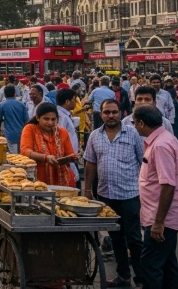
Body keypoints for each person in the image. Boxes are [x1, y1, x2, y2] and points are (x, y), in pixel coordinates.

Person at [83, 99, 145, 288]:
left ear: (121, 113)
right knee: (116, 238)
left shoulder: (133, 134)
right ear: (101, 114)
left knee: (134, 238)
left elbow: (144, 162)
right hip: (106, 195)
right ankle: (123, 276)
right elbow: (90, 163)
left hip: (130, 194)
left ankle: (141, 278)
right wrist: (87, 191)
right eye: (107, 112)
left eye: (114, 112)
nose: (111, 116)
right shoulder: (95, 136)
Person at [133, 105, 178, 289]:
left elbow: (168, 184)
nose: (134, 126)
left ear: (142, 123)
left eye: (134, 122)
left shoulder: (160, 145)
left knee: (150, 266)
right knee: (168, 265)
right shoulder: (164, 139)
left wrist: (159, 222)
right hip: (160, 216)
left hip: (161, 219)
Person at [20, 102, 77, 187]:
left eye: (53, 119)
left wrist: (72, 157)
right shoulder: (30, 129)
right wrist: (45, 157)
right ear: (38, 118)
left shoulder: (62, 132)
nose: (50, 123)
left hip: (61, 179)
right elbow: (25, 151)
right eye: (46, 119)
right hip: (37, 180)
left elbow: (69, 153)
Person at [55, 88, 80, 183]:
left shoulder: (65, 115)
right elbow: (58, 138)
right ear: (67, 101)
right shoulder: (61, 116)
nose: (76, 102)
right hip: (66, 159)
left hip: (70, 157)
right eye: (74, 99)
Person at [0, 85, 28, 153]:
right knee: (22, 156)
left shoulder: (2, 105)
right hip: (22, 134)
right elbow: (27, 120)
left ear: (5, 95)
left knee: (13, 157)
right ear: (14, 93)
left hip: (10, 135)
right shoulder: (21, 104)